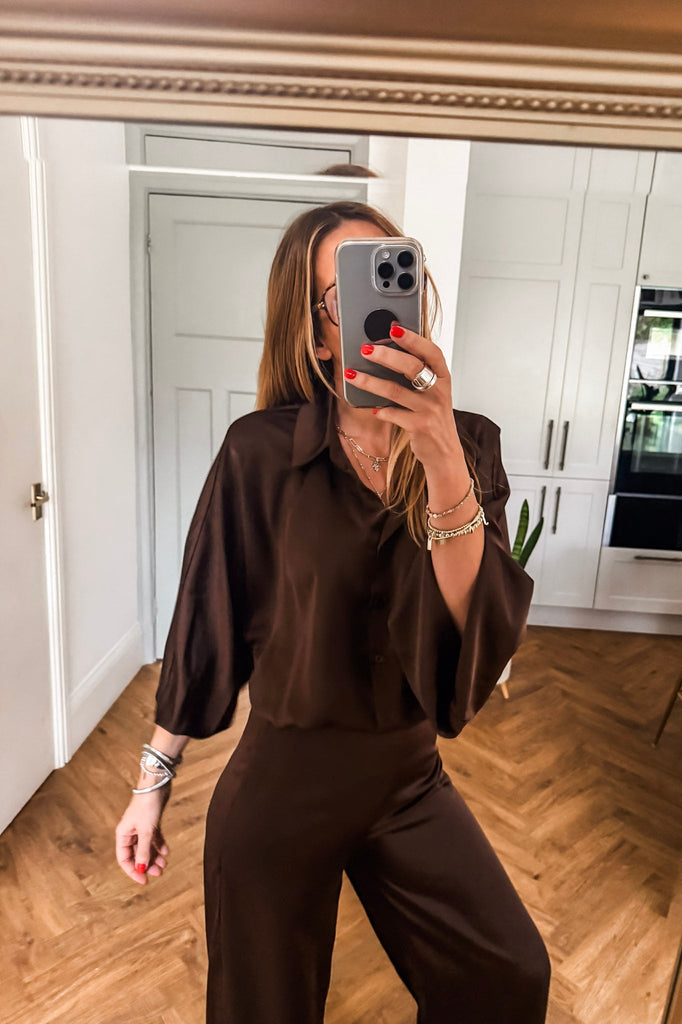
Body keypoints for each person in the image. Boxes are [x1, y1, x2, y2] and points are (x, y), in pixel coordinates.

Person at [115, 200, 550, 1024]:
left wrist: (441, 459)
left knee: (508, 975)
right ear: (317, 336)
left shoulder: (470, 444)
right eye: (345, 293)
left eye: (394, 277)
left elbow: (480, 632)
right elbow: (207, 621)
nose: (379, 305)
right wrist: (153, 783)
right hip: (283, 785)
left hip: (409, 781)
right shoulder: (258, 453)